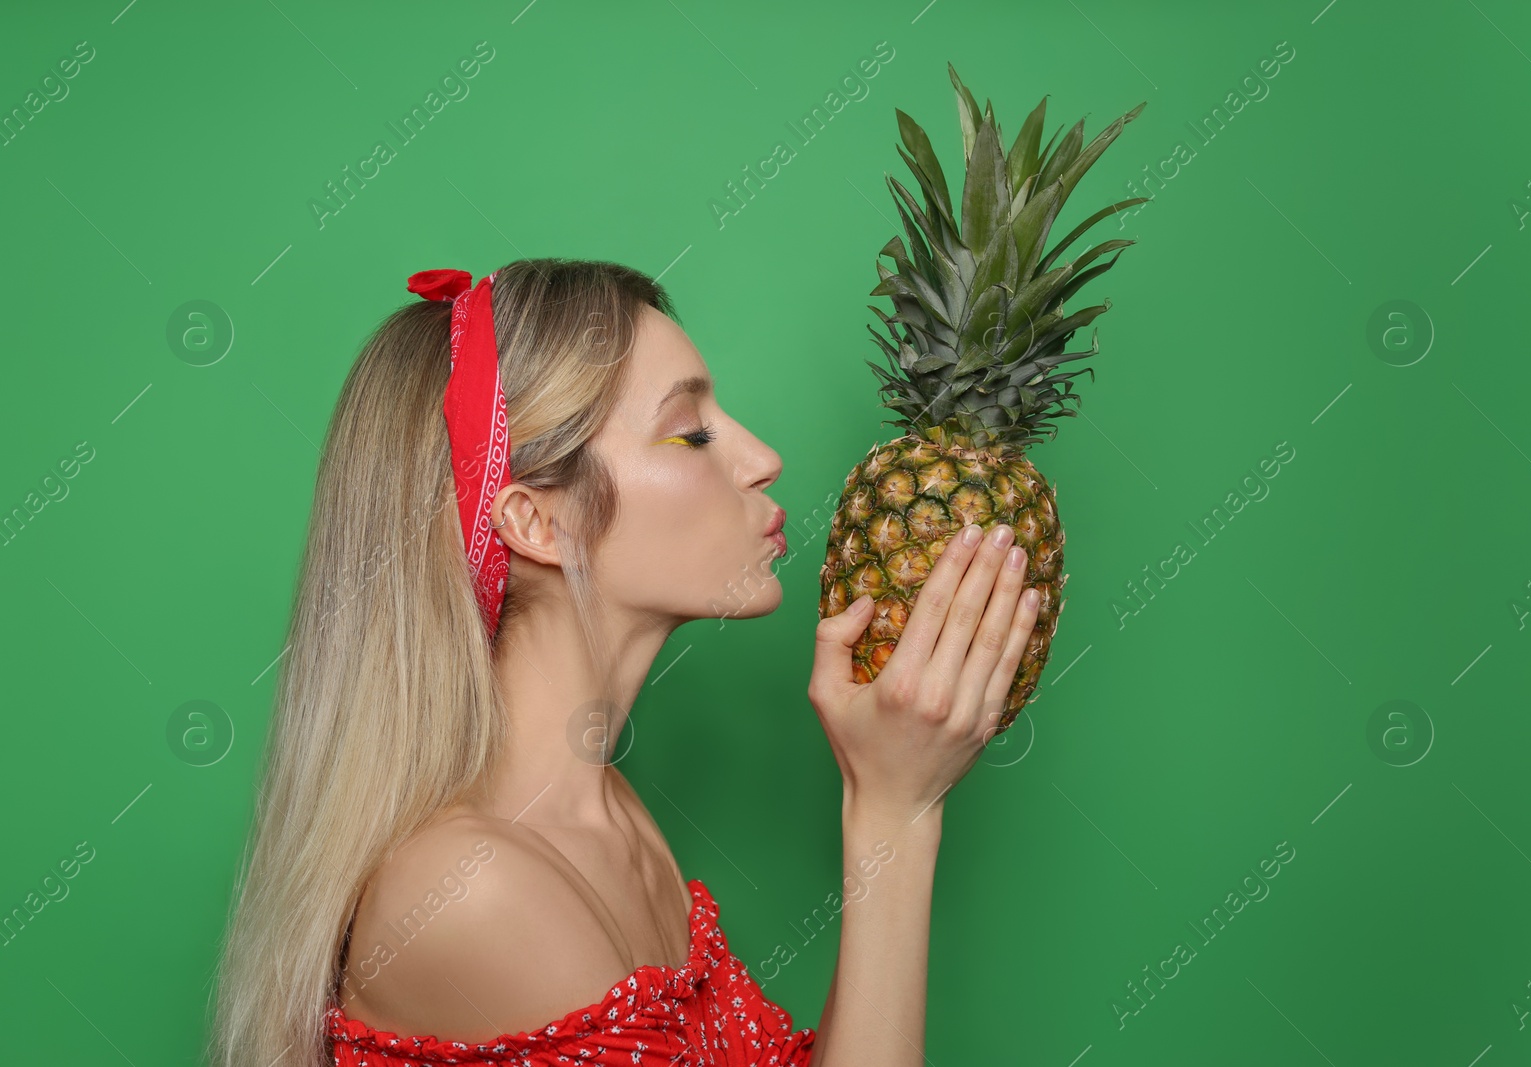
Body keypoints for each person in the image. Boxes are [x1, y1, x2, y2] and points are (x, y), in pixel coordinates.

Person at [207, 258, 1043, 1067]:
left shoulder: (605, 815)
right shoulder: (473, 891)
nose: (760, 458)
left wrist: (894, 789)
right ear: (536, 522)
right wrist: (893, 814)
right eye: (691, 432)